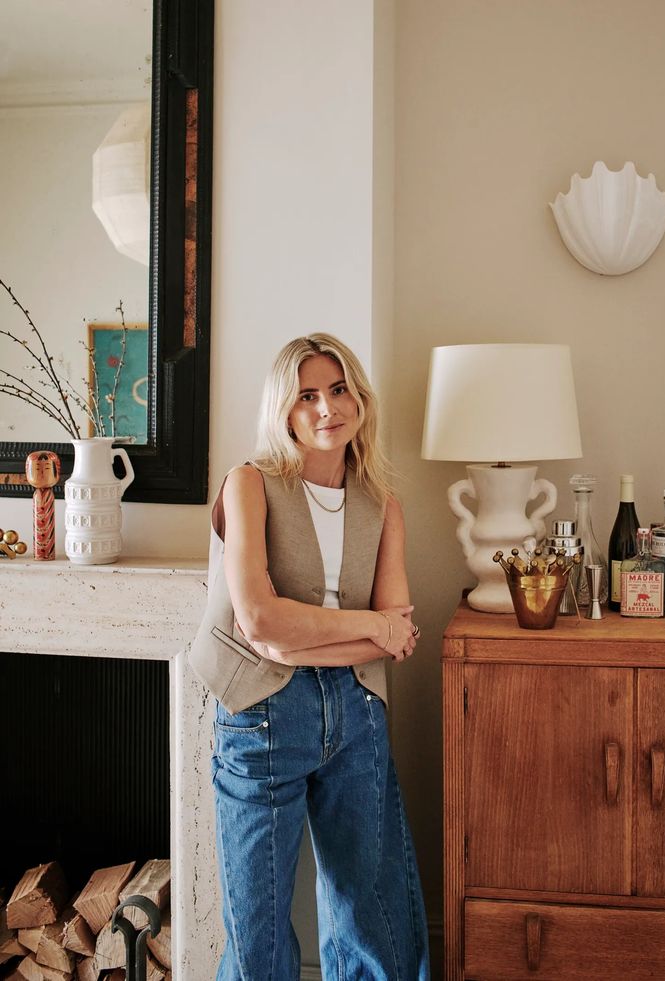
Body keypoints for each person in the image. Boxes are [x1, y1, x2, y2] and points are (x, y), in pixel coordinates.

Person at [189, 333, 430, 980]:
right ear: (284, 411)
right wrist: (368, 627)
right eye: (307, 396)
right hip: (262, 713)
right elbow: (260, 621)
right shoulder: (249, 485)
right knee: (259, 932)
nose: (327, 407)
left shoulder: (384, 506)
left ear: (360, 398)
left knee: (373, 917)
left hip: (357, 711)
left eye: (339, 388)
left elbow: (399, 635)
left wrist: (327, 634)